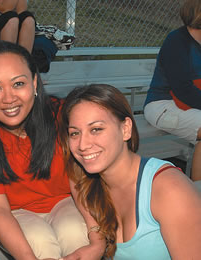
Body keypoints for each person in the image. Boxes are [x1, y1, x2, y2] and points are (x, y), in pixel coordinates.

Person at [0, 41, 106, 260]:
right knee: (39, 241)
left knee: (75, 233)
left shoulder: (62, 117)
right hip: (15, 213)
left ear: (35, 82)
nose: (9, 98)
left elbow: (80, 183)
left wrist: (97, 241)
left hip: (68, 201)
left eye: (18, 84)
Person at [60, 84, 201, 259]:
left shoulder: (169, 190)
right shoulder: (85, 180)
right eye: (74, 133)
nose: (82, 145)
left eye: (96, 129)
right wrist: (97, 241)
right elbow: (77, 185)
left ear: (125, 129)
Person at [143, 0, 201, 182]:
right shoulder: (177, 40)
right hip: (162, 105)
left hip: (190, 105)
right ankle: (196, 194)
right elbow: (183, 89)